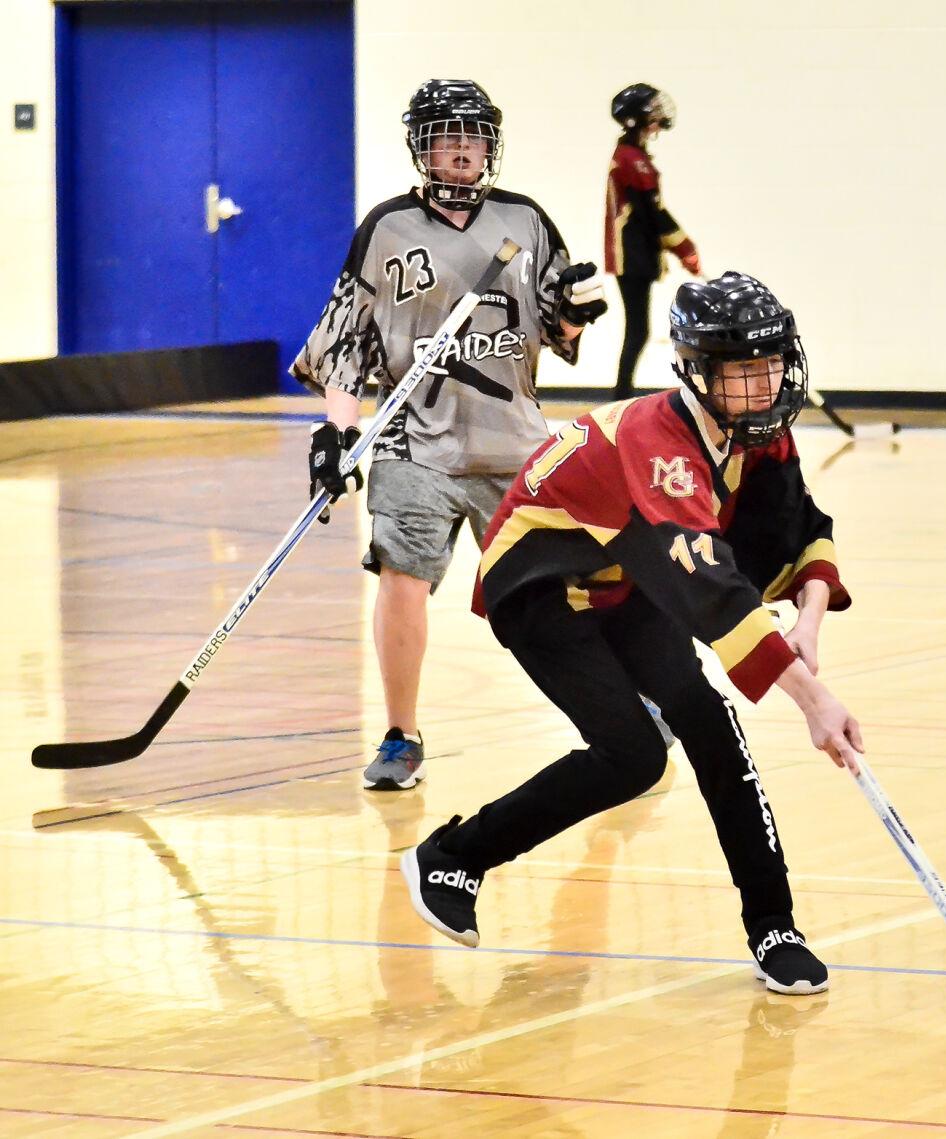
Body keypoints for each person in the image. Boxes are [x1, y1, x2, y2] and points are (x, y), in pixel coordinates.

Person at [400, 271, 863, 996]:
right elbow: (712, 591)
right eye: (745, 371)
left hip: (625, 578)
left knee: (712, 729)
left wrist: (807, 625)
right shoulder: (658, 448)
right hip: (541, 584)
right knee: (633, 755)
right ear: (697, 372)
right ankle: (452, 858)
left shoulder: (759, 432)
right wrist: (814, 702)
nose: (766, 385)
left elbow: (801, 529)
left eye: (774, 364)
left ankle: (776, 928)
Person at [292, 78, 608, 792]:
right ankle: (401, 736)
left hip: (514, 443)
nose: (462, 149)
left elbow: (558, 327)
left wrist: (577, 311)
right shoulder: (386, 228)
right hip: (416, 442)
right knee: (402, 577)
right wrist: (335, 435)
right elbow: (344, 343)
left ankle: (617, 708)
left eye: (473, 136)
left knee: (562, 587)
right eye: (446, 136)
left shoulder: (526, 220)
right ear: (422, 147)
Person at [604, 82, 702, 400]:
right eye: (652, 110)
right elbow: (652, 214)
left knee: (638, 331)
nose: (658, 116)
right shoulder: (631, 159)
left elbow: (653, 212)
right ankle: (620, 400)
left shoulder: (635, 156)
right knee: (637, 331)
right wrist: (685, 249)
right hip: (632, 255)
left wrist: (681, 249)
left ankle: (621, 396)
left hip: (641, 253)